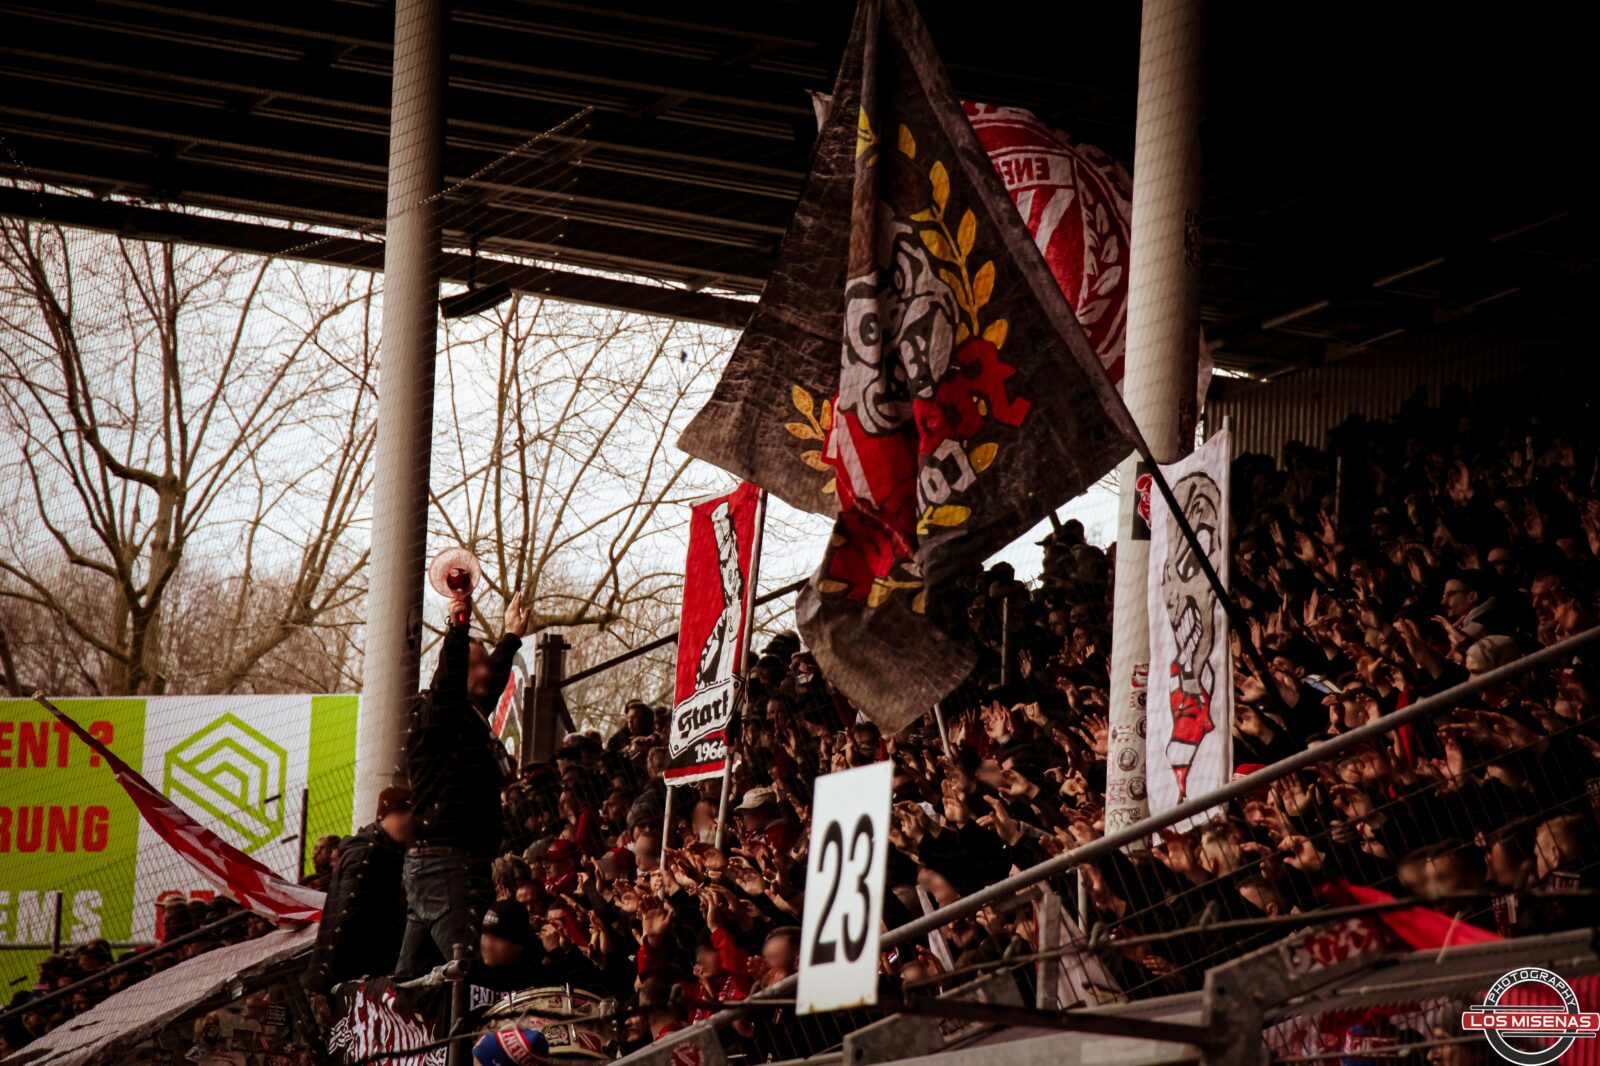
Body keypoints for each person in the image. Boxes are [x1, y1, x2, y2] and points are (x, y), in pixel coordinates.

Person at [396, 590, 531, 978]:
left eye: (486, 664)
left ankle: (394, 1033)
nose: (485, 672)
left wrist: (509, 639)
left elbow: (486, 685)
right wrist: (457, 628)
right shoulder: (438, 714)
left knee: (413, 977)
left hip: (444, 862)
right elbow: (451, 679)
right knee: (473, 971)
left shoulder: (466, 717)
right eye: (475, 665)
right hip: (446, 864)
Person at [308, 785, 413, 990]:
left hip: (355, 976)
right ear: (395, 814)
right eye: (411, 815)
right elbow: (348, 918)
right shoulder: (368, 855)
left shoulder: (385, 851)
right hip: (349, 980)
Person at [475, 899, 538, 992]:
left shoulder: (533, 981)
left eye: (496, 938)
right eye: (485, 935)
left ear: (519, 943)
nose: (488, 945)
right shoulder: (464, 976)